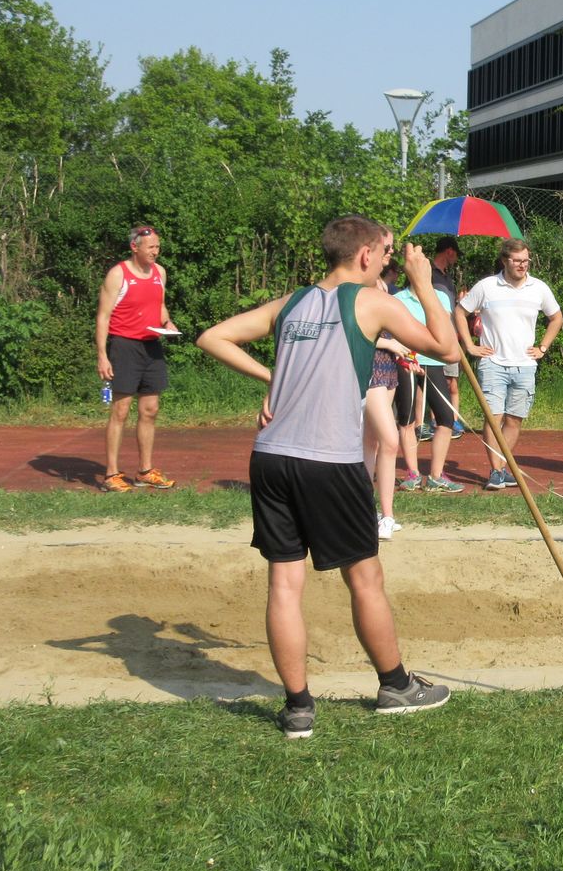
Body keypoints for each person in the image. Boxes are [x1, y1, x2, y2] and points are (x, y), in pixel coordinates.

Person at [195, 215, 461, 739]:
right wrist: (425, 284)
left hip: (271, 458)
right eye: (386, 253)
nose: (388, 261)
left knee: (284, 583)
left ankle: (298, 709)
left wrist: (274, 376)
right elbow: (447, 349)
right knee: (364, 578)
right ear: (364, 255)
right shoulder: (372, 302)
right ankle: (396, 686)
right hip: (330, 462)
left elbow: (213, 337)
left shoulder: (290, 303)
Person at [456, 237, 563, 490]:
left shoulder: (538, 288)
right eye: (517, 260)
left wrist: (543, 347)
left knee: (515, 419)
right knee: (494, 418)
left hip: (525, 365)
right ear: (505, 260)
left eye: (526, 260)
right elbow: (460, 312)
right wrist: (470, 346)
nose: (522, 265)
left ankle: (502, 467)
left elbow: (557, 318)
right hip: (493, 363)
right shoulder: (487, 286)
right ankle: (495, 471)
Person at [95, 224, 177, 493]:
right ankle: (111, 475)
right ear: (135, 247)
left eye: (158, 247)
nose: (156, 251)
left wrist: (167, 322)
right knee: (120, 411)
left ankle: (145, 471)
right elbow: (103, 317)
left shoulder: (159, 272)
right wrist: (102, 356)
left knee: (150, 410)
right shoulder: (117, 274)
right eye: (151, 247)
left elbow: (160, 305)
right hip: (124, 347)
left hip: (152, 347)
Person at [394, 262, 465, 494]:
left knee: (445, 418)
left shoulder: (440, 297)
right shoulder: (398, 299)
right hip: (407, 363)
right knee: (407, 419)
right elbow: (394, 332)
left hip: (433, 361)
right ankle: (413, 473)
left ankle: (436, 476)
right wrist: (408, 356)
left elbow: (445, 331)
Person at [364, 259, 405, 539]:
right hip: (372, 371)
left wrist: (404, 354)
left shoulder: (384, 288)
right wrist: (388, 343)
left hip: (388, 369)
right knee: (390, 441)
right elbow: (357, 332)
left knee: (372, 442)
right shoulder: (361, 290)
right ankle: (385, 515)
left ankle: (368, 512)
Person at [421, 236, 466, 441]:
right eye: (456, 254)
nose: (456, 259)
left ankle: (451, 420)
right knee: (436, 379)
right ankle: (434, 421)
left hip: (451, 335)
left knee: (451, 381)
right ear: (449, 251)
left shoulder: (447, 277)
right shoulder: (427, 273)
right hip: (433, 334)